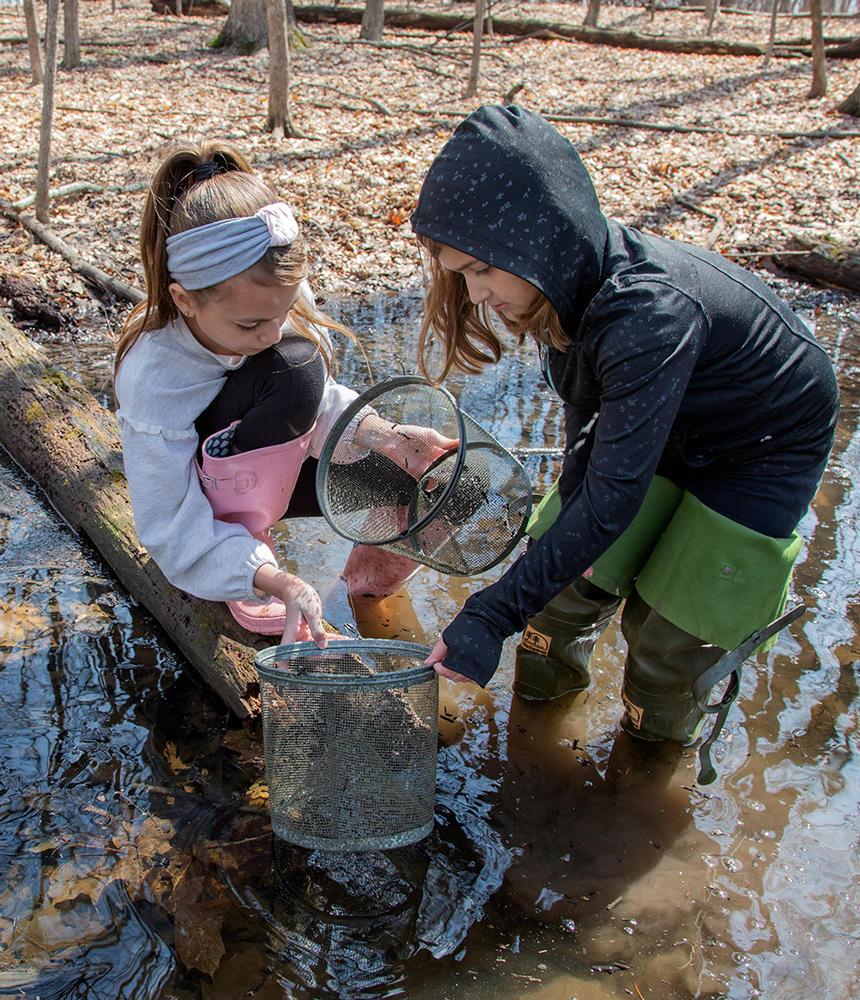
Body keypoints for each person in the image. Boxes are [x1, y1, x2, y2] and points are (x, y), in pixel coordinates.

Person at [411, 105, 840, 747]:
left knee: (670, 638)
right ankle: (537, 731)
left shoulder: (646, 312)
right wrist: (541, 572)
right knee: (562, 586)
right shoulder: (562, 285)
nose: (476, 297)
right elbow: (589, 446)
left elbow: (613, 499)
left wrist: (490, 612)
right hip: (663, 417)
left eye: (481, 271)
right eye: (462, 275)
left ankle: (645, 772)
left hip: (764, 441)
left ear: (541, 239)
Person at [115, 140, 454, 646]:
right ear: (184, 300)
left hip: (277, 460)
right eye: (250, 323)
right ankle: (247, 558)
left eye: (283, 312)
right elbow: (168, 525)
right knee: (294, 366)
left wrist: (390, 438)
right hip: (214, 506)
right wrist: (275, 578)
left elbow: (314, 399)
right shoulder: (155, 376)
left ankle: (365, 590)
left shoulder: (271, 289)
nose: (271, 333)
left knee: (438, 486)